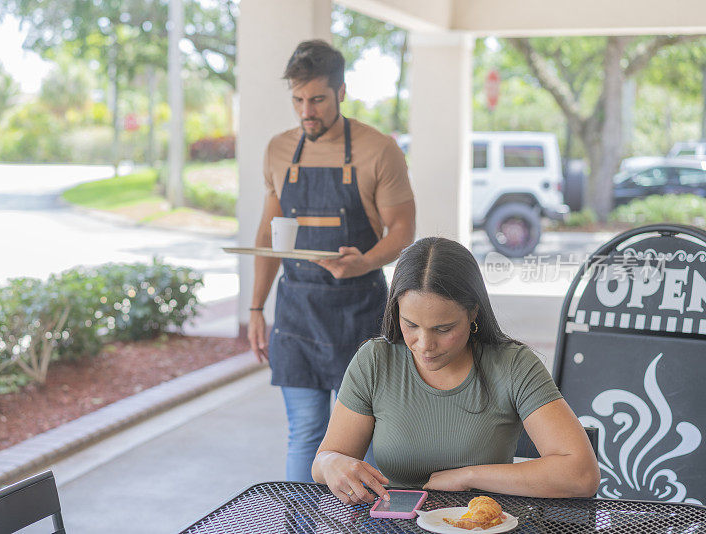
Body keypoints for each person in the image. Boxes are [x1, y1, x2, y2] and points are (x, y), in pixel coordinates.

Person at [311, 237, 600, 503]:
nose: (425, 345)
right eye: (411, 325)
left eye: (443, 328)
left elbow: (581, 475)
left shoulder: (514, 365)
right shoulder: (374, 361)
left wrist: (468, 476)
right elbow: (324, 461)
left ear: (473, 312)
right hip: (396, 522)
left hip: (484, 523)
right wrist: (330, 463)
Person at [247, 39, 416, 483]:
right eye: (299, 100)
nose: (307, 111)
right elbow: (268, 235)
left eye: (318, 99)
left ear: (342, 92)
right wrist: (254, 308)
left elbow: (402, 231)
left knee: (370, 440)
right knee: (305, 433)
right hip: (297, 312)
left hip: (360, 310)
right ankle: (303, 525)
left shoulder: (379, 150)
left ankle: (374, 526)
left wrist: (365, 262)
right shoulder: (279, 150)